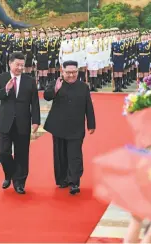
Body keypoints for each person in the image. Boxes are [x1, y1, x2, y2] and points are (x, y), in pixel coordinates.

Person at [0, 52, 40, 194]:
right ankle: (9, 173)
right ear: (10, 63)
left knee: (22, 154)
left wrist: (36, 121)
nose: (20, 68)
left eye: (22, 65)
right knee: (2, 152)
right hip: (5, 123)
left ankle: (19, 183)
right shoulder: (1, 78)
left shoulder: (29, 80)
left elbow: (35, 103)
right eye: (17, 65)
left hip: (23, 122)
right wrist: (6, 89)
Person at [43, 60, 96, 195]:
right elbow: (47, 96)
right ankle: (62, 179)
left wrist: (91, 124)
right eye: (68, 73)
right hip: (58, 126)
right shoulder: (57, 83)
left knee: (74, 155)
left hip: (76, 127)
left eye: (74, 72)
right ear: (62, 71)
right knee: (60, 154)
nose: (71, 75)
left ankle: (74, 182)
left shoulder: (83, 87)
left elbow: (88, 106)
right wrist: (56, 89)